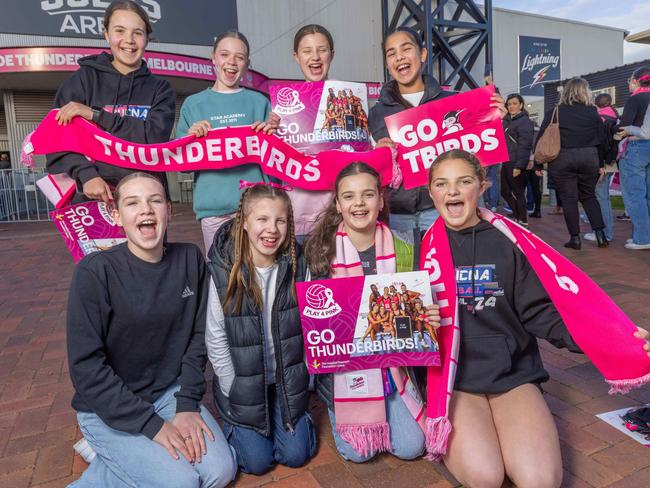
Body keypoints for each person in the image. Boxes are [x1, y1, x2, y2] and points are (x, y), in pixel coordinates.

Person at [425, 149, 650, 487]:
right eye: (442, 184)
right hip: (457, 380)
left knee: (539, 481)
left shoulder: (511, 242)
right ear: (431, 193)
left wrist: (611, 342)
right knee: (485, 476)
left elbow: (542, 313)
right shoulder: (419, 248)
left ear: (482, 186)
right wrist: (420, 323)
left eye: (464, 181)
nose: (453, 191)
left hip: (512, 374)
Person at [67, 172, 236, 488]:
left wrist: (186, 406)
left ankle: (120, 460)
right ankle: (113, 450)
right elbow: (86, 368)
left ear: (168, 210)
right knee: (181, 482)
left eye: (155, 200)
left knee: (219, 473)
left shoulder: (189, 259)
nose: (145, 209)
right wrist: (152, 426)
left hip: (168, 393)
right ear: (116, 215)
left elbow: (198, 338)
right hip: (107, 408)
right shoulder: (94, 272)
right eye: (132, 203)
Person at [304, 162, 440, 463]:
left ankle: (394, 403)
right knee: (359, 453)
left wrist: (427, 318)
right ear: (338, 204)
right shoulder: (321, 252)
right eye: (349, 196)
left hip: (393, 368)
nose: (359, 203)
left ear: (380, 200)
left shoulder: (405, 247)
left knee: (411, 447)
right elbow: (316, 327)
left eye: (368, 195)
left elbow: (415, 316)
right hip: (346, 372)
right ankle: (343, 409)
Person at [204, 182, 316, 475]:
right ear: (243, 223)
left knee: (296, 454)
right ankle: (235, 425)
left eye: (280, 220)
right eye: (262, 220)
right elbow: (215, 337)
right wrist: (233, 388)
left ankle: (292, 424)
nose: (272, 229)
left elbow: (310, 324)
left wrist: (305, 375)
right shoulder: (222, 267)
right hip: (242, 381)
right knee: (257, 463)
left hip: (284, 378)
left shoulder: (297, 263)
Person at [368, 26, 506, 234]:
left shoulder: (452, 104)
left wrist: (494, 122)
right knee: (406, 268)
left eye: (406, 49)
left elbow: (477, 159)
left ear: (422, 54)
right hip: (397, 214)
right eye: (391, 53)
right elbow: (374, 173)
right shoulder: (377, 113)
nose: (399, 57)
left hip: (443, 209)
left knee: (448, 264)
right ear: (388, 64)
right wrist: (379, 156)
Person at [46, 0, 175, 203]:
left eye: (137, 33)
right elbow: (57, 139)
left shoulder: (160, 89)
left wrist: (95, 114)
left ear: (147, 38)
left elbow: (152, 138)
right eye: (120, 31)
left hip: (145, 200)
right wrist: (87, 175)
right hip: (92, 198)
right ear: (106, 34)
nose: (129, 40)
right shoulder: (83, 80)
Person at [177, 31, 278, 253]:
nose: (231, 62)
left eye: (239, 57)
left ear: (247, 64)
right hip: (213, 212)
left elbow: (277, 162)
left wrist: (274, 135)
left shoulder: (259, 102)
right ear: (213, 58)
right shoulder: (193, 105)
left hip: (256, 208)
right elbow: (182, 165)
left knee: (259, 276)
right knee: (223, 276)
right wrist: (190, 140)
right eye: (224, 54)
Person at [536, 77, 608, 249]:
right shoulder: (593, 112)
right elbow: (602, 140)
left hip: (563, 158)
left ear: (566, 92)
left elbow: (541, 139)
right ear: (585, 92)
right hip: (589, 156)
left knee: (569, 199)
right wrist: (601, 164)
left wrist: (538, 164)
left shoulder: (556, 112)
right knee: (589, 196)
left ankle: (575, 239)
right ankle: (601, 236)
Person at [289, 24, 337, 241]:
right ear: (296, 57)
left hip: (341, 214)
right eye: (307, 51)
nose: (315, 57)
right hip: (300, 216)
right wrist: (270, 132)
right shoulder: (284, 107)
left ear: (332, 54)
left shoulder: (349, 97)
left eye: (322, 49)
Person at [616, 66, 650, 250]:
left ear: (636, 80)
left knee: (635, 195)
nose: (628, 84)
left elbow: (624, 126)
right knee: (647, 195)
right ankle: (644, 235)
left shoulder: (635, 98)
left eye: (629, 80)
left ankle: (642, 238)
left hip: (637, 145)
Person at [584, 93, 619, 243]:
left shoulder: (601, 118)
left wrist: (600, 164)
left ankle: (605, 232)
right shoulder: (614, 116)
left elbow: (600, 143)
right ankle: (606, 231)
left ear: (597, 104)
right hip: (610, 161)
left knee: (600, 198)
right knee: (603, 198)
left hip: (602, 163)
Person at [502, 94, 534, 226]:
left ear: (521, 105)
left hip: (516, 162)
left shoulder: (525, 121)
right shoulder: (508, 120)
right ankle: (517, 214)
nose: (511, 106)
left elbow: (525, 145)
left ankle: (523, 220)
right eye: (509, 104)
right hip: (506, 161)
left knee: (519, 193)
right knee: (504, 191)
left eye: (514, 103)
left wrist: (519, 166)